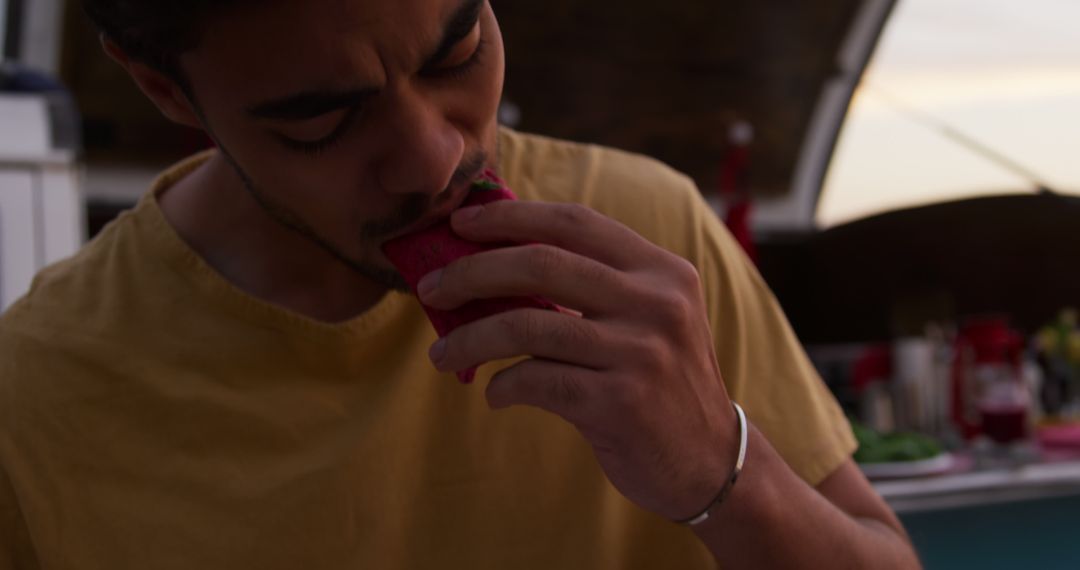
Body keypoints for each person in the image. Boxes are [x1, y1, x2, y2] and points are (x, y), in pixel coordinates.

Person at [0, 0, 921, 568]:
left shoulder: (648, 235)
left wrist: (722, 471)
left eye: (456, 54)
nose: (434, 157)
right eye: (322, 120)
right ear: (165, 90)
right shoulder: (37, 393)